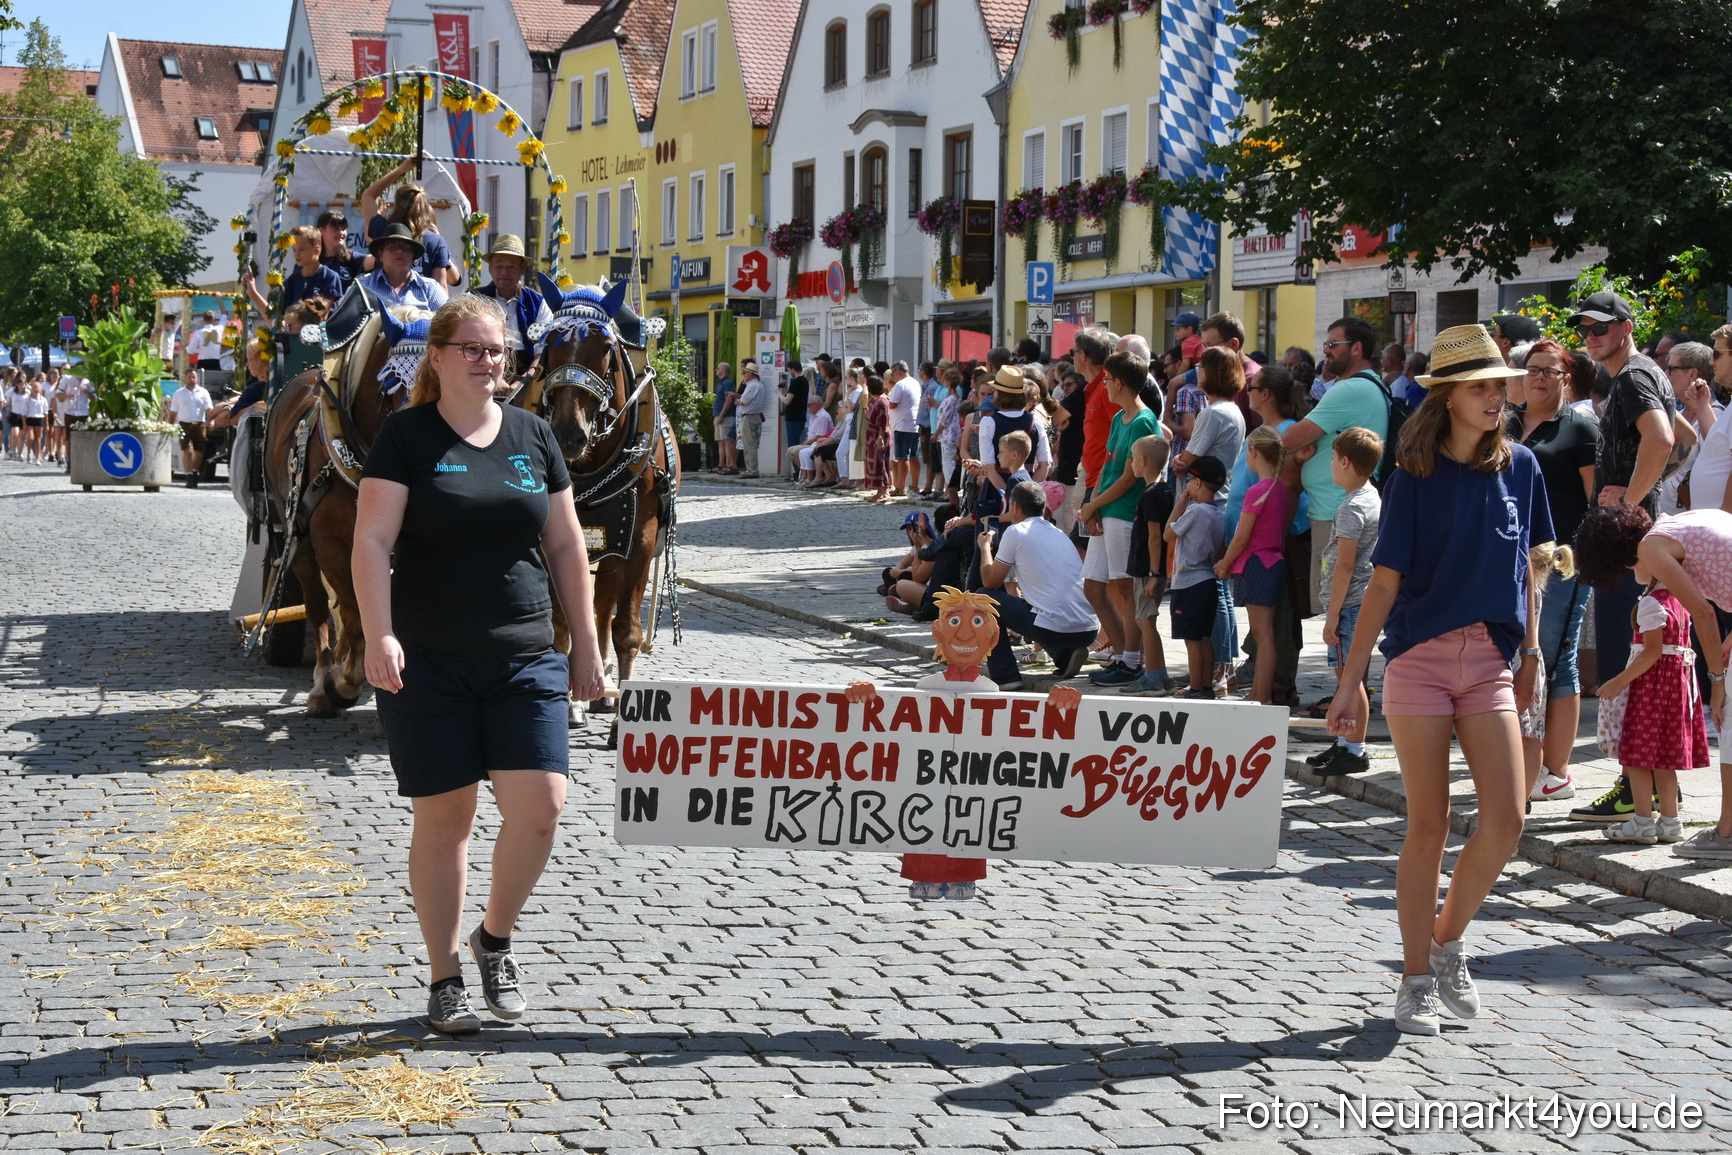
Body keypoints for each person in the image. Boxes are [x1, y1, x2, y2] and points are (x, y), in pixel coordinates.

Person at [354, 294, 605, 1035]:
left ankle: (493, 937)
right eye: (471, 348)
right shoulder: (406, 437)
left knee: (542, 806)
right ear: (436, 356)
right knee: (447, 818)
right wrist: (378, 633)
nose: (487, 361)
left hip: (525, 652)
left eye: (497, 350)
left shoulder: (532, 435)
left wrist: (586, 646)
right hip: (427, 660)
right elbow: (370, 541)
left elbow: (565, 546)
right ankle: (444, 974)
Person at [1326, 324, 1550, 1037]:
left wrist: (1533, 654)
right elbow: (1384, 582)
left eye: (1500, 387)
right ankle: (1415, 977)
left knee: (1509, 818)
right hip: (1418, 662)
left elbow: (1532, 569)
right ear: (1448, 396)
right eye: (1483, 387)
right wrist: (1350, 678)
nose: (1497, 399)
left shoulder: (1522, 468)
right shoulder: (1412, 474)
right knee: (1427, 823)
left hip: (1489, 660)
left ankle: (1446, 941)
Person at [1505, 339, 1599, 805]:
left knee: (1553, 658)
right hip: (1508, 557)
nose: (1540, 377)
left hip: (1560, 562)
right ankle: (1523, 760)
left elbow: (1595, 500)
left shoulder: (1580, 429)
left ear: (1566, 379)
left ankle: (1555, 771)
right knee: (1518, 656)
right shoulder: (1507, 422)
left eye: (1550, 371)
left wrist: (1581, 558)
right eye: (1532, 369)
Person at [1574, 290, 1674, 688]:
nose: (1590, 337)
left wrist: (1628, 502)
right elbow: (1683, 438)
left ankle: (1629, 746)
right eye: (1584, 331)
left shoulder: (1633, 376)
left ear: (1627, 327)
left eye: (1600, 328)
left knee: (1626, 662)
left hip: (1628, 540)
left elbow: (1663, 439)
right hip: (1639, 536)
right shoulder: (1646, 370)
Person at [1593, 570, 1709, 846]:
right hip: (1674, 689)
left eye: (1640, 562)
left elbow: (1651, 651)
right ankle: (1670, 822)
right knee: (1664, 759)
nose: (1634, 569)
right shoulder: (1680, 600)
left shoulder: (1651, 603)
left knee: (1637, 756)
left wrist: (1618, 682)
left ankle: (1643, 822)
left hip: (1650, 689)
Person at [1284, 317, 1390, 615]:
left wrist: (1302, 446)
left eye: (1333, 344)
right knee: (1339, 608)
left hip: (1335, 513)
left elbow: (1290, 438)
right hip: (1339, 509)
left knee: (1335, 607)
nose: (1326, 350)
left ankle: (1346, 664)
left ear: (1356, 348)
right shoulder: (1367, 386)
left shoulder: (1350, 390)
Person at [1079, 352, 1161, 687]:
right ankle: (1122, 653)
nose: (1104, 385)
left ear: (1120, 383)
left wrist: (1095, 503)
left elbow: (1129, 477)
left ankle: (1131, 660)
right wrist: (1093, 504)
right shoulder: (1119, 418)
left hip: (1125, 512)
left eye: (1108, 380)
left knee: (1124, 589)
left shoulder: (1143, 419)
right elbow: (1106, 468)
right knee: (1094, 588)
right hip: (1105, 508)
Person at [1306, 427, 1383, 776]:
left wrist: (1332, 615)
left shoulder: (1352, 508)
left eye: (1334, 459)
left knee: (1348, 681)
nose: (1332, 465)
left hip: (1350, 604)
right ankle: (1344, 743)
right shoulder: (1370, 497)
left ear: (1346, 462)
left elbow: (1346, 564)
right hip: (1358, 602)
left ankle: (1355, 748)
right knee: (1348, 681)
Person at [977, 480, 1099, 686]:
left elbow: (990, 582)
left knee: (982, 598)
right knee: (1041, 605)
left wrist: (985, 548)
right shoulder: (1058, 533)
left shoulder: (1016, 531)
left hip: (1055, 629)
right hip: (1088, 629)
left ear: (1015, 507)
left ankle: (1006, 676)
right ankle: (1065, 656)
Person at [1175, 348, 1247, 692]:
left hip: (1208, 500)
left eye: (1203, 365)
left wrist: (1177, 461)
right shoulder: (1233, 409)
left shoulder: (1213, 412)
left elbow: (1189, 457)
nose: (1198, 369)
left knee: (1212, 587)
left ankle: (1217, 668)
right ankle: (1223, 665)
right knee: (1221, 588)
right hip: (1224, 500)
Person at [1215, 426, 1289, 704]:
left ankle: (1261, 694)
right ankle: (1260, 692)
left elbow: (1242, 535)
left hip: (1257, 563)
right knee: (1264, 633)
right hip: (1272, 561)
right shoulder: (1280, 487)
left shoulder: (1258, 489)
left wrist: (1225, 561)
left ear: (1253, 452)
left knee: (1262, 634)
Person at [1164, 456, 1227, 699]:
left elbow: (1168, 534)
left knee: (1192, 640)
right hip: (1208, 581)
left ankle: (1197, 687)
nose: (1187, 485)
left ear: (1198, 483)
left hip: (1189, 582)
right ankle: (1206, 687)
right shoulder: (1218, 513)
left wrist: (1180, 501)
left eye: (1189, 480)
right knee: (1204, 638)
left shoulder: (1194, 511)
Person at [1121, 434, 1177, 696]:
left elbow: (1155, 536)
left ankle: (1152, 678)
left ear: (1142, 461)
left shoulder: (1151, 495)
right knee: (1146, 620)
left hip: (1148, 569)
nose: (1130, 463)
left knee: (1146, 621)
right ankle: (1161, 675)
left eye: (1133, 458)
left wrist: (1155, 574)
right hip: (1148, 568)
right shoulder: (1163, 490)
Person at [361, 161, 460, 285]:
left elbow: (368, 196)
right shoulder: (434, 240)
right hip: (420, 303)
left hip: (385, 301)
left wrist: (401, 169)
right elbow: (450, 282)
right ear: (425, 208)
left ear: (397, 205)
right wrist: (440, 244)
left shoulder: (385, 232)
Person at [474, 236, 553, 382]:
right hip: (483, 370)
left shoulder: (539, 303)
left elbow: (543, 350)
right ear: (490, 268)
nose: (504, 273)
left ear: (522, 269)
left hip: (528, 375)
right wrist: (495, 379)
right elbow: (469, 345)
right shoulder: (474, 300)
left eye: (511, 267)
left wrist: (525, 381)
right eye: (499, 266)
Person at [360, 224, 450, 313]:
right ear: (381, 254)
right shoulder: (363, 285)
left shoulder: (430, 289)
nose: (399, 251)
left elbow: (449, 321)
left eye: (406, 248)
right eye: (393, 246)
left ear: (414, 258)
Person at [167, 367, 212, 486]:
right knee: (187, 450)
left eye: (194, 377)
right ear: (185, 378)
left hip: (199, 425)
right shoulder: (179, 393)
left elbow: (209, 409)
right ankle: (189, 476)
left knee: (199, 453)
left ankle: (195, 471)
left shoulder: (203, 392)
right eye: (189, 377)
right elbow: (173, 412)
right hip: (184, 424)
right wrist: (169, 427)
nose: (192, 379)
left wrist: (211, 421)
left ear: (197, 378)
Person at [885, 362, 921, 496]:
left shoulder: (900, 384)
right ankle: (915, 486)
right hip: (913, 424)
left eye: (893, 373)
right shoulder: (915, 382)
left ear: (898, 371)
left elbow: (893, 404)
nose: (893, 376)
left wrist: (883, 399)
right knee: (913, 456)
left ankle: (901, 487)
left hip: (902, 425)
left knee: (902, 457)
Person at [735, 363, 773, 479]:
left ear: (751, 373)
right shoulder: (759, 385)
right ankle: (751, 469)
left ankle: (751, 470)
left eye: (745, 372)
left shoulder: (752, 386)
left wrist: (736, 401)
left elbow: (743, 401)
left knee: (749, 444)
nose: (743, 375)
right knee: (751, 443)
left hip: (749, 416)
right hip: (755, 416)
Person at [317, 208, 366, 291]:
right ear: (321, 231)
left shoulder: (351, 258)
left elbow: (377, 260)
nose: (341, 233)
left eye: (343, 229)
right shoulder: (312, 260)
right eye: (335, 228)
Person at [861, 374, 891, 500]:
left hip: (879, 436)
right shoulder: (874, 400)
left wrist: (880, 438)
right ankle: (880, 491)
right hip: (871, 436)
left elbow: (883, 423)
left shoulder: (881, 402)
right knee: (874, 464)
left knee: (881, 464)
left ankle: (883, 492)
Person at [779, 360, 810, 481]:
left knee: (793, 445)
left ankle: (797, 472)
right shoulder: (804, 381)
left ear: (792, 369)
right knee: (799, 443)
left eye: (789, 370)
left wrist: (778, 393)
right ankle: (800, 471)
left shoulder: (796, 382)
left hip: (793, 417)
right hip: (801, 416)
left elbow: (787, 401)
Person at [711, 362, 737, 473]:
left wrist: (722, 414)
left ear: (724, 370)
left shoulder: (727, 383)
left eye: (719, 368)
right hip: (718, 415)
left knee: (726, 441)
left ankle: (727, 464)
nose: (716, 369)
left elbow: (729, 399)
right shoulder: (720, 382)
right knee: (720, 441)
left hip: (725, 416)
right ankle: (721, 464)